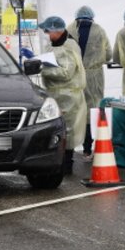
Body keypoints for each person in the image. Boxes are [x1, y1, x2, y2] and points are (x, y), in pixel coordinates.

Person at [38, 15, 87, 174]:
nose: (46, 34)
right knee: (56, 130)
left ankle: (66, 165)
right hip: (55, 94)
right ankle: (56, 162)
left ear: (57, 30)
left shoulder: (69, 46)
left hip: (69, 97)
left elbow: (66, 73)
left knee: (68, 131)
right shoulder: (53, 45)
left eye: (48, 30)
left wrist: (43, 69)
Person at [67, 5, 112, 160]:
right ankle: (88, 148)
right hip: (94, 77)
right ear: (92, 16)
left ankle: (69, 150)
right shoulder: (100, 31)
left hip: (74, 75)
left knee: (75, 110)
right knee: (94, 111)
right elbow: (109, 55)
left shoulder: (69, 30)